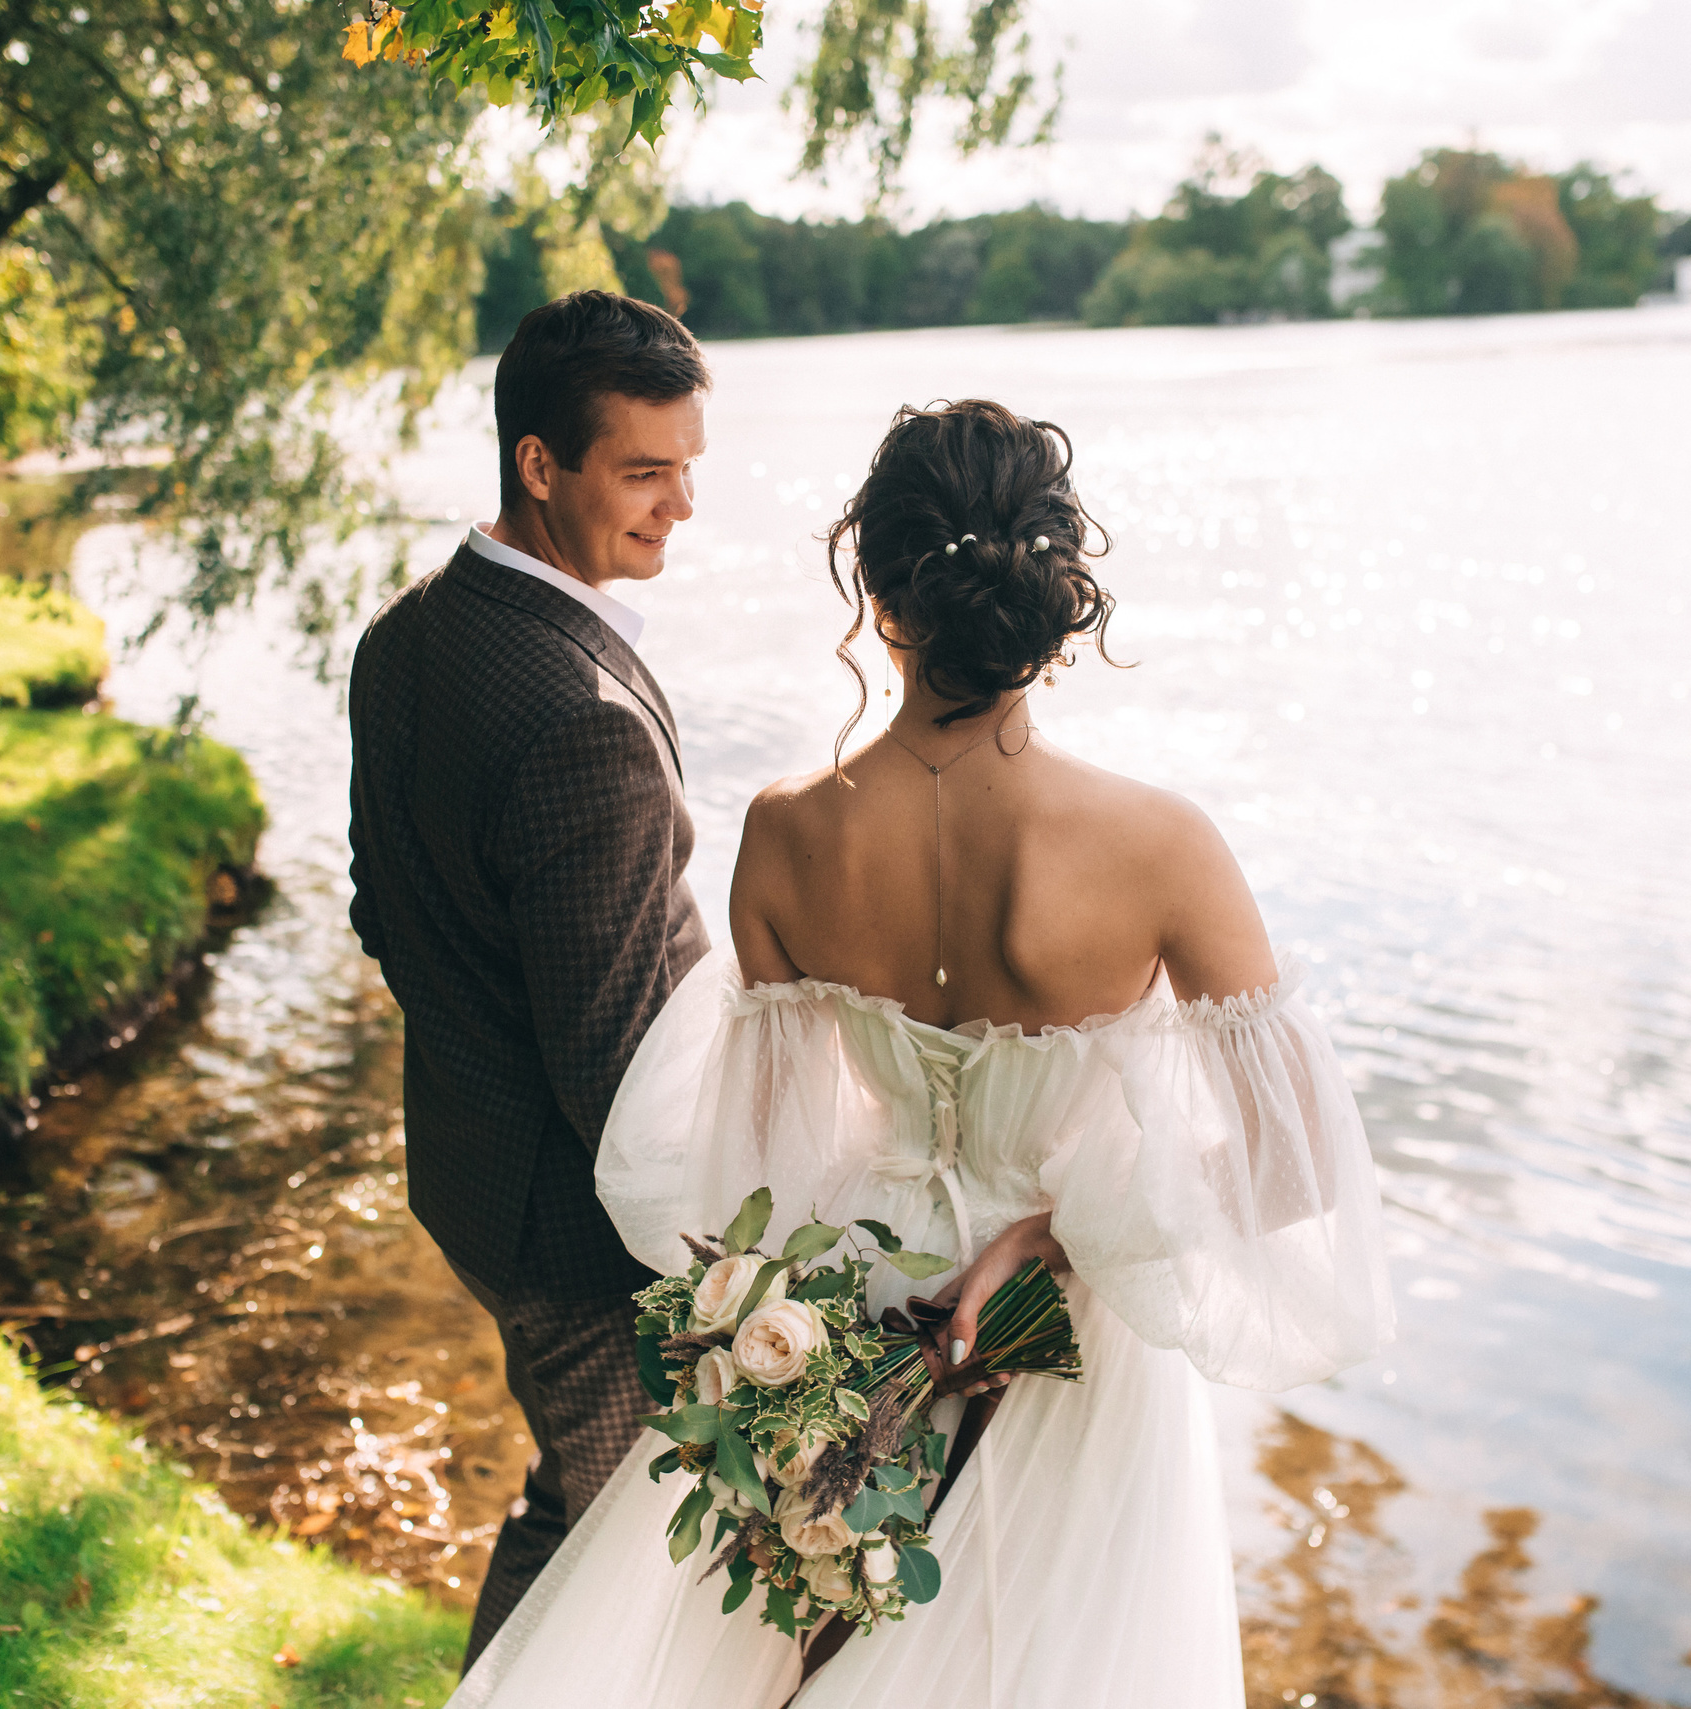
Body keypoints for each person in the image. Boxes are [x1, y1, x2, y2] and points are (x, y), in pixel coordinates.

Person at [445, 398, 1395, 1707]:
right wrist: (1061, 1239)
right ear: (1056, 599)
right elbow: (1298, 1163)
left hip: (854, 1323)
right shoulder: (1163, 845)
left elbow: (746, 1183)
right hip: (1066, 1333)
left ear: (876, 589)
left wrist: (786, 1347)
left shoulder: (785, 834)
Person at [344, 290, 714, 1665]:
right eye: (642, 472)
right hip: (578, 1233)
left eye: (687, 469)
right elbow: (615, 1067)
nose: (677, 506)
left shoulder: (407, 634)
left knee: (580, 1504)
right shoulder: (584, 721)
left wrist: (474, 1044)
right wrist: (731, 1256)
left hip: (469, 1168)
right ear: (538, 464)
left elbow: (385, 908)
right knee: (627, 1565)